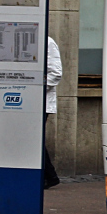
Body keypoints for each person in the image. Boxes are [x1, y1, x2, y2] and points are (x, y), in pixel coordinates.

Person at [43, 36, 62, 190]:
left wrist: (36, 87)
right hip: (26, 101)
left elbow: (56, 73)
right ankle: (49, 175)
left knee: (34, 140)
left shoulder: (47, 42)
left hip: (40, 102)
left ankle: (49, 176)